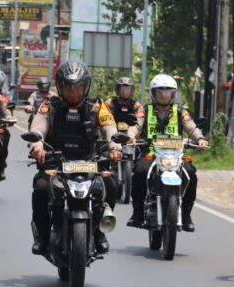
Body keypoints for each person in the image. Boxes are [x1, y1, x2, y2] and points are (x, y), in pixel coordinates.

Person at [28, 60, 122, 255]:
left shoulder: (97, 106)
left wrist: (114, 146)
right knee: (41, 189)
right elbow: (38, 125)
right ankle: (43, 236)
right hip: (56, 161)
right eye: (69, 88)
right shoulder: (49, 105)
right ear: (61, 87)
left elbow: (109, 127)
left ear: (86, 86)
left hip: (89, 161)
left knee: (110, 185)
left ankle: (98, 232)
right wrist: (37, 145)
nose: (74, 92)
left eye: (78, 88)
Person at [125, 74, 208, 232]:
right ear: (153, 94)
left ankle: (186, 215)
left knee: (191, 173)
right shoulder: (145, 110)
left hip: (175, 156)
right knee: (140, 171)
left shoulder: (180, 112)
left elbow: (191, 126)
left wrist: (200, 138)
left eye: (168, 93)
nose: (164, 96)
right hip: (152, 155)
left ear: (173, 94)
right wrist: (131, 136)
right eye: (160, 93)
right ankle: (137, 212)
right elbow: (136, 125)